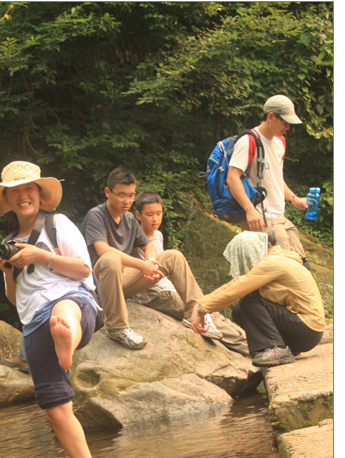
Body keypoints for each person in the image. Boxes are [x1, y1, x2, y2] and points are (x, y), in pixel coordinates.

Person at [0, 160, 100, 458]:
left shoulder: (57, 224)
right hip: (34, 323)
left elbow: (84, 269)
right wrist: (8, 272)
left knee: (61, 314)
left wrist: (40, 255)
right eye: (15, 191)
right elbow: (15, 299)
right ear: (7, 199)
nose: (23, 196)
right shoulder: (9, 242)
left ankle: (66, 343)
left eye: (29, 189)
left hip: (72, 300)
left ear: (39, 193)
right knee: (55, 405)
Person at [80, 168, 222, 349]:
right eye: (121, 195)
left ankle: (196, 312)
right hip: (100, 282)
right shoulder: (96, 215)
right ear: (108, 192)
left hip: (122, 280)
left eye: (131, 195)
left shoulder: (129, 219)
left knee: (173, 256)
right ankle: (116, 327)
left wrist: (150, 263)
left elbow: (148, 246)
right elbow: (103, 250)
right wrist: (141, 265)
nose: (127, 201)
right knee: (111, 258)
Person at [132, 191, 250, 356]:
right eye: (149, 215)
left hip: (172, 290)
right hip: (157, 295)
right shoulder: (134, 239)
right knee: (207, 314)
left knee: (211, 311)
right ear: (138, 215)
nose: (155, 219)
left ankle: (254, 341)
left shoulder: (158, 235)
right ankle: (252, 347)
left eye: (159, 213)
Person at [189, 231, 325, 367]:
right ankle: (281, 347)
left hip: (306, 330)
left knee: (249, 297)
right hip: (306, 331)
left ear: (249, 251)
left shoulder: (272, 262)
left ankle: (276, 348)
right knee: (239, 310)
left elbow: (233, 292)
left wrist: (203, 310)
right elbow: (235, 284)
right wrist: (200, 303)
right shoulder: (274, 258)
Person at [227, 95, 309, 262]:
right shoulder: (248, 141)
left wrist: (294, 199)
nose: (288, 127)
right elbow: (232, 178)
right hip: (261, 218)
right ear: (270, 117)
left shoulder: (280, 142)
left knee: (302, 264)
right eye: (284, 122)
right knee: (282, 270)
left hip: (280, 217)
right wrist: (250, 210)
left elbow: (277, 176)